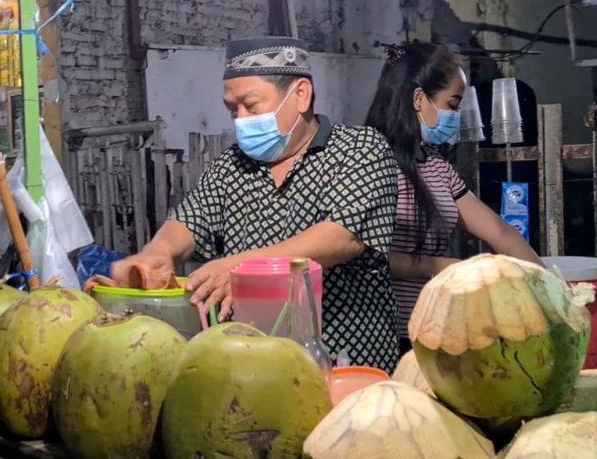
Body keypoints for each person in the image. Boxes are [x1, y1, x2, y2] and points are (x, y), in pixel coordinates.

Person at [110, 36, 402, 371]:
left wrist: (238, 268)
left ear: (301, 94)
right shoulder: (232, 165)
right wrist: (158, 252)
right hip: (253, 367)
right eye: (232, 110)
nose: (241, 119)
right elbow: (189, 220)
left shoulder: (359, 149)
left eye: (251, 105)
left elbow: (341, 238)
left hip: (344, 360)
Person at [365, 43, 542, 350]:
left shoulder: (436, 166)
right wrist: (436, 266)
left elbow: (500, 232)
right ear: (419, 99)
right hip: (384, 333)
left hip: (434, 330)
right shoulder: (368, 162)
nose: (456, 116)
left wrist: (547, 286)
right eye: (453, 104)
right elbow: (363, 254)